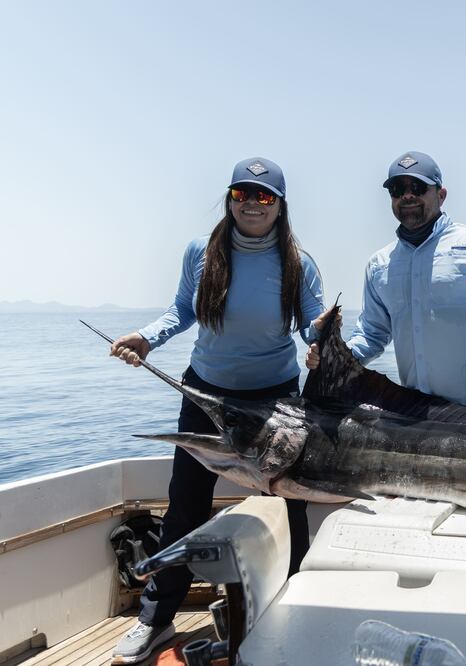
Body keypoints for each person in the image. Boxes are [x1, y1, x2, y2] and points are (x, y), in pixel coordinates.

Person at [108, 157, 325, 664]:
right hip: (205, 393)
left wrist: (321, 341)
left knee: (293, 504)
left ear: (280, 206)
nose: (251, 203)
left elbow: (312, 324)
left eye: (264, 196)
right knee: (185, 503)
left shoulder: (299, 261)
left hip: (276, 401)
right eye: (242, 193)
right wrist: (148, 338)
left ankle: (296, 605)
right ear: (230, 198)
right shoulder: (202, 251)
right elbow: (182, 309)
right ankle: (156, 620)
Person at [308, 151, 466, 410]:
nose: (407, 195)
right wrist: (331, 356)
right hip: (416, 413)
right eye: (397, 189)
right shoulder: (379, 264)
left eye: (417, 187)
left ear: (441, 195)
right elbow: (372, 335)